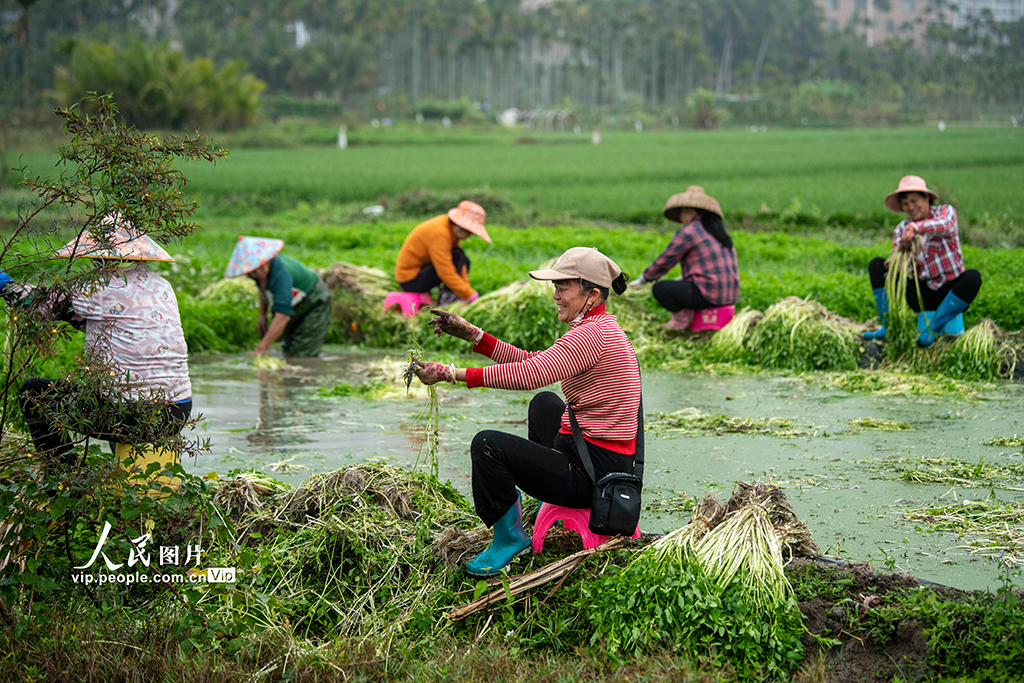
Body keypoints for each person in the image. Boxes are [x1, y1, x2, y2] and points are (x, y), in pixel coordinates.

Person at [411, 247, 642, 576]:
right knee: (544, 404)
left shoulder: (591, 336)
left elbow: (529, 374)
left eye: (563, 288)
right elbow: (534, 361)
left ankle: (509, 536)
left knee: (488, 445)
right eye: (555, 287)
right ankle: (537, 500)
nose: (555, 296)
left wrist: (451, 373)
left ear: (591, 294)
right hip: (595, 457)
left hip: (595, 478)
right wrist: (474, 336)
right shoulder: (597, 328)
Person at [1, 216, 192, 468]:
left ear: (98, 255)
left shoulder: (97, 287)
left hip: (134, 415)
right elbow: (112, 326)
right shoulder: (162, 285)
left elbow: (35, 306)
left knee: (34, 393)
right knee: (119, 393)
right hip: (178, 411)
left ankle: (64, 477)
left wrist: (4, 282)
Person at [864, 175, 981, 347]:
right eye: (905, 204)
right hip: (921, 294)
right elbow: (899, 256)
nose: (910, 207)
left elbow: (945, 224)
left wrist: (916, 228)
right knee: (876, 265)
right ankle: (888, 326)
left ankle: (933, 329)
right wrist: (897, 262)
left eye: (914, 201)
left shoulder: (945, 212)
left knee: (973, 277)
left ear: (927, 198)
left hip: (948, 291)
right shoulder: (902, 229)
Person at [628, 186, 739, 331]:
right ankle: (692, 315)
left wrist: (645, 278)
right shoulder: (719, 234)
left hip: (708, 296)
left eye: (686, 209)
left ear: (695, 211)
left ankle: (680, 321)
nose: (683, 213)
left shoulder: (690, 231)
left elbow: (667, 259)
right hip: (729, 295)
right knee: (681, 285)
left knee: (660, 288)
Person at [224, 236, 332, 357]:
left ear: (266, 260)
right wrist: (262, 315)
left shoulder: (281, 276)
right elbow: (263, 289)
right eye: (253, 270)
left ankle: (308, 371)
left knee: (303, 352)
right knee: (288, 347)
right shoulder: (260, 275)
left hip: (315, 300)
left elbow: (282, 317)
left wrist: (261, 349)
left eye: (261, 267)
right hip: (295, 301)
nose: (258, 273)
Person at [395, 200, 490, 306]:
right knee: (455, 259)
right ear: (461, 227)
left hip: (421, 272)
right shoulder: (440, 234)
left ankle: (451, 296)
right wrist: (468, 294)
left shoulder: (450, 229)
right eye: (470, 232)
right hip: (410, 280)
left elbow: (461, 263)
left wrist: (467, 292)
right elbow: (445, 271)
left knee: (462, 258)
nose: (469, 236)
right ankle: (446, 301)